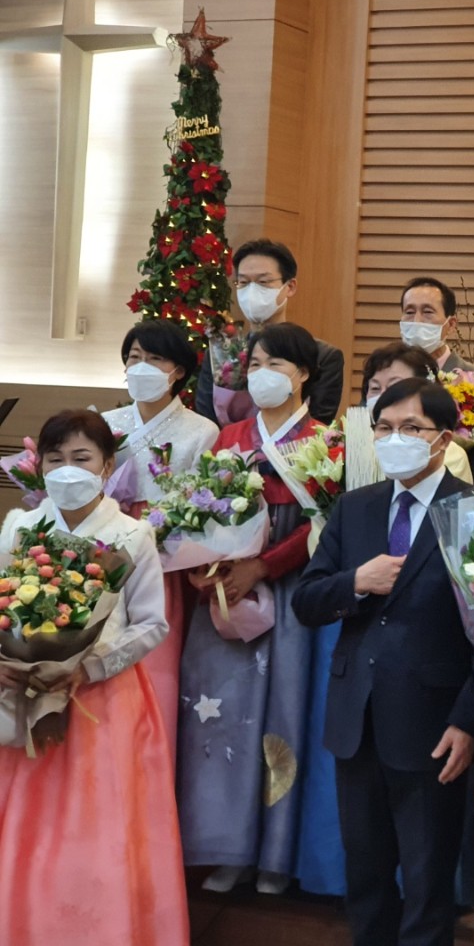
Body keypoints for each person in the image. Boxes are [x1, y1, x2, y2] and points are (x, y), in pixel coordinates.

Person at [294, 377, 474, 946]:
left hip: (434, 723)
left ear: (443, 438)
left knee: (428, 884)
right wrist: (356, 580)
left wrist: (469, 719)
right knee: (366, 877)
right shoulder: (356, 507)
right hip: (357, 720)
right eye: (384, 428)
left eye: (411, 428)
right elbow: (307, 601)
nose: (394, 438)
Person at [0, 409, 188, 945]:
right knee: (30, 820)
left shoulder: (132, 533)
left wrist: (87, 666)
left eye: (81, 458)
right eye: (55, 459)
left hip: (103, 699)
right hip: (26, 694)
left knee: (102, 821)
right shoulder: (19, 527)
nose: (67, 469)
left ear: (107, 466)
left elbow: (152, 623)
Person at [178, 322, 325, 896]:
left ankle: (275, 854)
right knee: (221, 717)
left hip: (289, 591)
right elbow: (195, 510)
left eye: (277, 365)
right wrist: (207, 566)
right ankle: (227, 846)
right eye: (256, 364)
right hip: (224, 595)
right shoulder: (229, 436)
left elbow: (324, 524)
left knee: (284, 716)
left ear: (304, 374)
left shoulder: (325, 440)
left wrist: (263, 567)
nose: (263, 375)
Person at [102, 320, 219, 754]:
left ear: (178, 372)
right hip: (105, 560)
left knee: (155, 671)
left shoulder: (201, 430)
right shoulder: (106, 425)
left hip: (163, 562)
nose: (142, 367)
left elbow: (201, 506)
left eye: (154, 359)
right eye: (134, 358)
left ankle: (149, 763)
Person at [194, 238, 346, 425]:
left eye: (263, 281)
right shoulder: (222, 355)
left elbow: (318, 427)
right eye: (243, 282)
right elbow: (207, 421)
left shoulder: (322, 356)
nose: (252, 290)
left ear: (290, 287)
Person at [360, 343, 474, 483]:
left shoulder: (446, 454)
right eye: (375, 388)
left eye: (395, 386)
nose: (383, 396)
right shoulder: (353, 445)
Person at [398, 275, 474, 379]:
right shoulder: (388, 378)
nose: (417, 321)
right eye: (410, 312)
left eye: (427, 312)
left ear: (451, 325)